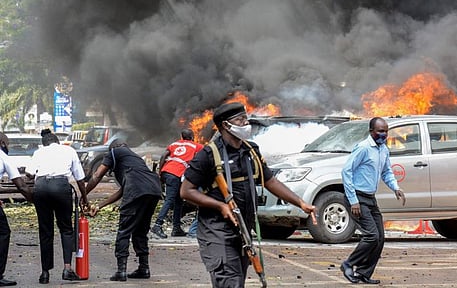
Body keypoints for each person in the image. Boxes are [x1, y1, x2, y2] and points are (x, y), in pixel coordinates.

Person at [180, 102, 316, 287]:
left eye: (245, 118)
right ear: (226, 125)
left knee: (237, 280)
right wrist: (220, 205)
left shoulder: (251, 150)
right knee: (230, 280)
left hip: (243, 229)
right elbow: (186, 191)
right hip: (217, 230)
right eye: (240, 120)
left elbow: (270, 181)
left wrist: (300, 203)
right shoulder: (209, 154)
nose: (246, 123)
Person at [83, 138, 162, 282]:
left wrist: (84, 196)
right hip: (153, 190)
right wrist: (99, 206)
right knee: (140, 231)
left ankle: (121, 271)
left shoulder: (115, 151)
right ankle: (144, 268)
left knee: (124, 230)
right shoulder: (135, 159)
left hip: (138, 190)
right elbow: (123, 190)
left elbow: (97, 175)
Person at [340, 117, 406, 284]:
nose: (384, 134)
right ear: (371, 132)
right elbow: (346, 172)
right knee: (371, 236)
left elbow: (386, 172)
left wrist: (396, 188)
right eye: (380, 131)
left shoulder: (383, 150)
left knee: (380, 238)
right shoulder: (363, 148)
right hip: (358, 198)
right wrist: (353, 200)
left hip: (370, 198)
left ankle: (363, 273)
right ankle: (348, 264)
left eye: (386, 131)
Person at [26, 128, 89, 284]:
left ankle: (45, 273)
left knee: (45, 230)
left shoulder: (39, 152)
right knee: (66, 228)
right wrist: (85, 199)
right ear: (57, 141)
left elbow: (29, 173)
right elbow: (80, 179)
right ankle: (67, 269)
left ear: (44, 143)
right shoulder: (69, 150)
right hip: (61, 187)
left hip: (41, 188)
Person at [151, 128, 203, 238]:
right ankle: (157, 225)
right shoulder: (196, 146)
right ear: (193, 137)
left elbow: (163, 156)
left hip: (167, 171)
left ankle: (176, 228)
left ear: (182, 137)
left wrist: (160, 173)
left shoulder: (174, 144)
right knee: (169, 200)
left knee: (178, 201)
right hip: (176, 174)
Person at [0, 132, 33, 287]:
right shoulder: (3, 157)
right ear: (2, 143)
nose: (8, 147)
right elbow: (21, 186)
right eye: (7, 143)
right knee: (3, 232)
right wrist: (35, 201)